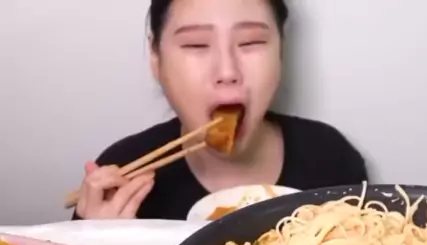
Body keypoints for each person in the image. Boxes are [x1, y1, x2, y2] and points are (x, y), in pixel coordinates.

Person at [73, 0, 368, 221]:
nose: (227, 71)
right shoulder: (119, 177)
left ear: (280, 50)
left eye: (251, 41)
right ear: (155, 57)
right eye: (196, 45)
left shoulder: (331, 158)